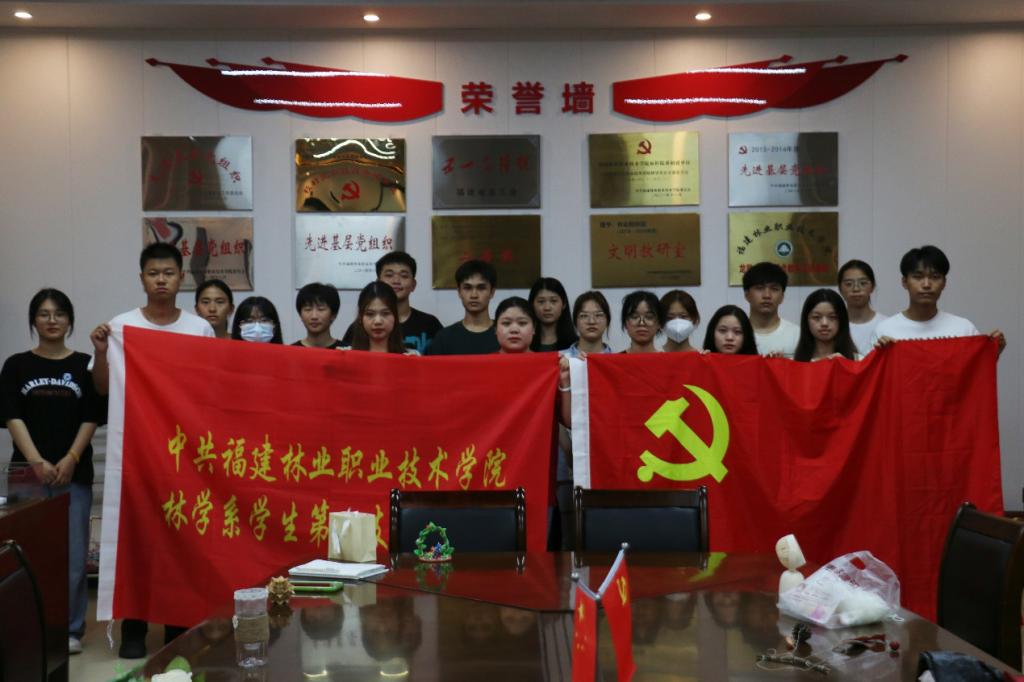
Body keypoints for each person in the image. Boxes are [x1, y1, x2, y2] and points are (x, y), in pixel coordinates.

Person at [88, 242, 214, 659]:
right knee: (138, 540)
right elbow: (102, 388)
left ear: (182, 278)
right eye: (153, 273)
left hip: (185, 456)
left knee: (181, 540)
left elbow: (210, 391)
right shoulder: (121, 327)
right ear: (141, 278)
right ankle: (134, 628)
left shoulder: (199, 329)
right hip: (136, 455)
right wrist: (101, 353)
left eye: (169, 273)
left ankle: (178, 625)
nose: (161, 280)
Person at [1, 289, 101, 656]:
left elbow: (92, 415)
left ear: (70, 320)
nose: (52, 320)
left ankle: (70, 629)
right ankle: (29, 629)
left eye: (59, 313)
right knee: (26, 556)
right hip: (27, 476)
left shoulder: (85, 365)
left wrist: (71, 457)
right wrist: (36, 461)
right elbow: (12, 416)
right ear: (33, 321)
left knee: (73, 560)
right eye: (44, 314)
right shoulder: (16, 365)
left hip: (74, 474)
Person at [871, 245, 1006, 353]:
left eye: (935, 277)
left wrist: (993, 352)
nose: (926, 284)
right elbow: (873, 377)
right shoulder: (885, 330)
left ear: (944, 283)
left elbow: (976, 372)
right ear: (904, 282)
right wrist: (880, 355)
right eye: (918, 277)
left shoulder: (963, 329)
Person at [340, 251, 442, 354]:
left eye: (404, 276)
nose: (396, 281)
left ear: (413, 284)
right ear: (378, 282)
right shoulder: (357, 329)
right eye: (389, 275)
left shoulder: (430, 324)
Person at [427, 260, 499, 355]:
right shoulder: (444, 338)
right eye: (467, 288)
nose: (474, 295)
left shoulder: (505, 335)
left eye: (481, 288)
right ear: (459, 292)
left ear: (492, 292)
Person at [742, 262, 799, 358]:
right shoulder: (735, 335)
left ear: (782, 297)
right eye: (759, 288)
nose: (767, 295)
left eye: (774, 289)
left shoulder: (797, 335)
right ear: (747, 295)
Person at [347, 281, 418, 354]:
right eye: (370, 314)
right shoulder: (346, 355)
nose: (378, 321)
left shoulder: (411, 356)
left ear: (395, 316)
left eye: (385, 313)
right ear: (360, 317)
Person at [837, 260, 887, 357]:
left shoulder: (886, 325)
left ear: (872, 287)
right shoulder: (833, 326)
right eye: (848, 284)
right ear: (840, 288)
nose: (856, 289)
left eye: (863, 283)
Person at [793, 289, 858, 361]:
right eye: (816, 317)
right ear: (806, 320)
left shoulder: (858, 361)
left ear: (842, 320)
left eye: (832, 317)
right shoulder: (794, 363)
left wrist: (845, 365)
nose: (824, 323)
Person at [528, 277, 577, 352]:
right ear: (532, 304)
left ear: (564, 304)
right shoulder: (525, 344)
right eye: (541, 301)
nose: (547, 308)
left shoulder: (576, 345)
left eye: (553, 301)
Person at [293, 282, 342, 349]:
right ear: (300, 315)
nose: (314, 316)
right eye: (308, 309)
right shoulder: (291, 351)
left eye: (321, 309)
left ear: (333, 314)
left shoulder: (346, 351)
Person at [565, 291, 614, 357]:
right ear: (575, 321)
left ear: (607, 321)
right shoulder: (560, 359)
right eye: (584, 315)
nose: (591, 321)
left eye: (598, 315)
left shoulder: (617, 361)